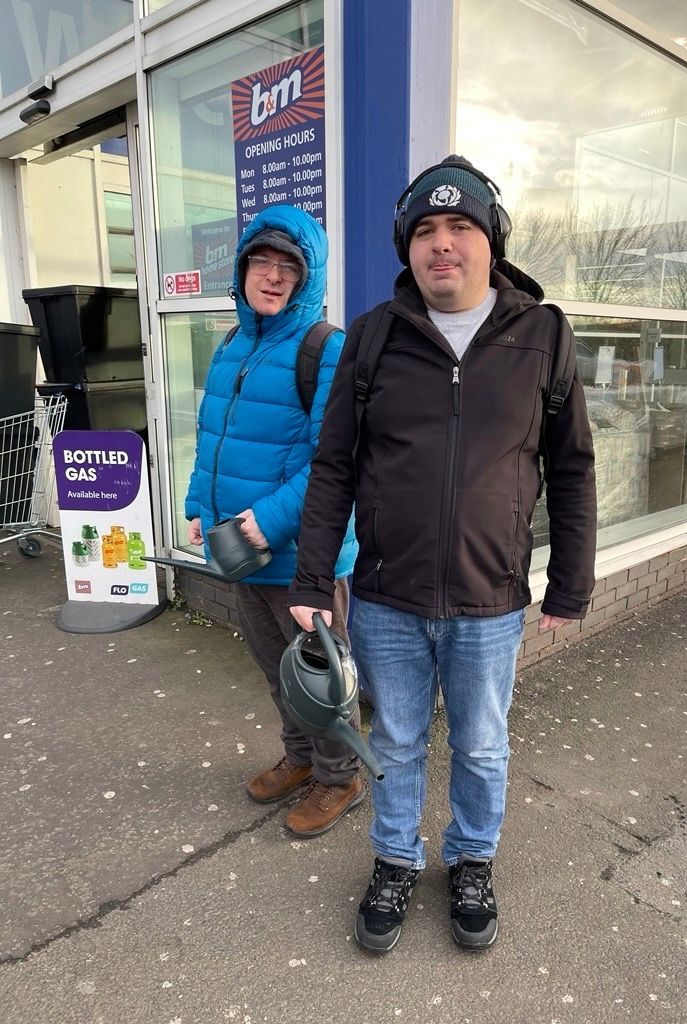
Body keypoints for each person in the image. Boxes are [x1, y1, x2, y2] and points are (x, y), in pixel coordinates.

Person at [288, 156, 597, 952]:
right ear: (408, 248)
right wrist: (314, 578)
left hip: (490, 601)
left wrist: (571, 585)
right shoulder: (374, 336)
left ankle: (470, 859)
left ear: (491, 241)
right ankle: (395, 858)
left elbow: (570, 467)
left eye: (461, 227)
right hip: (386, 595)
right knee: (393, 741)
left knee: (483, 744)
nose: (443, 244)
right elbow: (333, 465)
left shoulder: (543, 334)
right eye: (425, 230)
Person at [185, 204, 362, 838]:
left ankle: (339, 777)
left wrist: (265, 521)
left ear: (308, 277)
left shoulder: (326, 349)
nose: (273, 275)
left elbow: (335, 463)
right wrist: (197, 508)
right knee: (274, 668)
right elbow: (214, 436)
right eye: (262, 261)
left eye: (290, 265)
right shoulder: (233, 343)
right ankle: (300, 757)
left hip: (301, 558)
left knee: (321, 676)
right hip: (240, 549)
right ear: (243, 268)